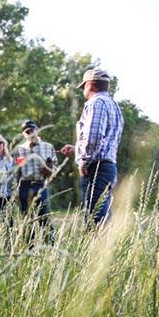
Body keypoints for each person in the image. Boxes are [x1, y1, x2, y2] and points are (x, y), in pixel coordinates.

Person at [60, 68, 124, 225]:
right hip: (108, 167)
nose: (84, 91)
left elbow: (94, 138)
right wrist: (77, 150)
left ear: (90, 85)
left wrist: (83, 161)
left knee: (95, 218)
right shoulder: (114, 105)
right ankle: (107, 249)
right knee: (103, 215)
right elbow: (106, 142)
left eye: (83, 87)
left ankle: (97, 250)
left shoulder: (96, 103)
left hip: (96, 168)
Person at [14, 120, 56, 238]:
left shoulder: (48, 147)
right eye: (27, 132)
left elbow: (55, 168)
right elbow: (16, 171)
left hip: (41, 184)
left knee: (44, 215)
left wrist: (49, 171)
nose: (30, 133)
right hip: (25, 185)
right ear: (24, 134)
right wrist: (15, 190)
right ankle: (29, 246)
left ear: (37, 130)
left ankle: (50, 243)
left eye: (32, 130)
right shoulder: (19, 149)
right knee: (27, 218)